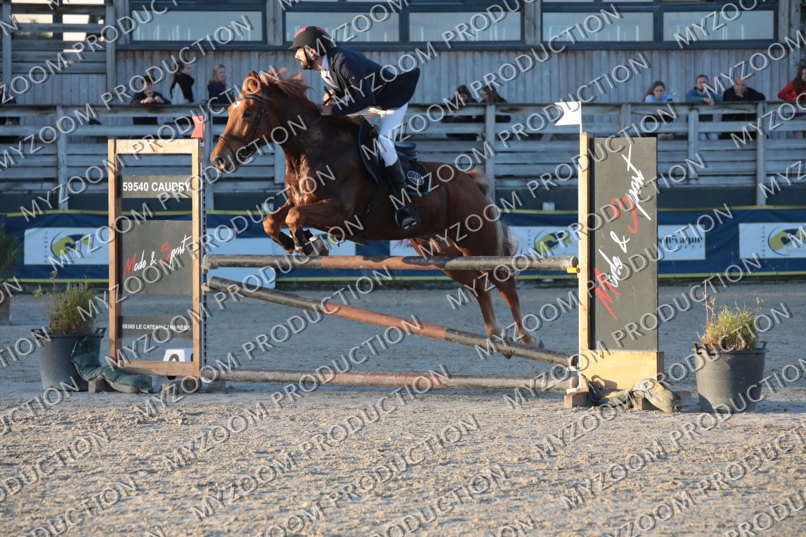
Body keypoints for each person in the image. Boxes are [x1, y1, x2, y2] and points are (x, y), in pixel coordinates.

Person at [290, 26, 421, 231]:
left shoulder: (343, 60)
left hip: (392, 102)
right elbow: (349, 85)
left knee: (384, 144)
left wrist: (334, 109)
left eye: (299, 50)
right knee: (337, 126)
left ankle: (403, 205)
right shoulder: (326, 65)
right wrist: (335, 94)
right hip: (372, 102)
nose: (296, 55)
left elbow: (365, 97)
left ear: (312, 51)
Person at [685, 74, 722, 141]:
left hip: (708, 125)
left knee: (714, 137)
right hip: (695, 125)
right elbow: (688, 99)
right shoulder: (692, 92)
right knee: (702, 137)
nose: (702, 84)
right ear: (696, 85)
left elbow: (721, 99)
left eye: (704, 82)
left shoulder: (711, 93)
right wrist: (703, 99)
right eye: (700, 83)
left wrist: (708, 92)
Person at [778, 66, 806, 139]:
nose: (804, 76)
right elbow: (781, 94)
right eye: (802, 74)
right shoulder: (794, 84)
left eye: (805, 74)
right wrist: (792, 99)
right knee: (799, 140)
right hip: (796, 116)